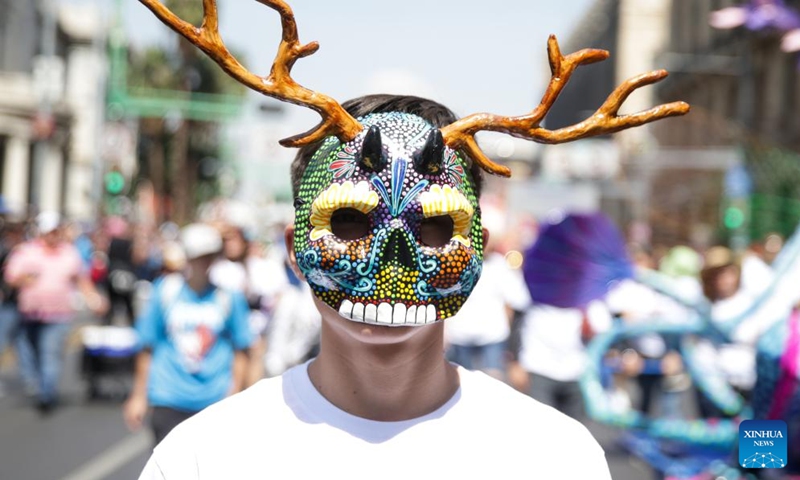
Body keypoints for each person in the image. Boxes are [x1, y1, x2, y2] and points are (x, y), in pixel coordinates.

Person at [137, 95, 613, 478]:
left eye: (434, 228)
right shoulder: (202, 459)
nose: (390, 268)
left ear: (478, 249)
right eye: (347, 223)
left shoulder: (556, 458)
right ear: (293, 249)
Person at [123, 223, 252, 445]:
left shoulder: (228, 297)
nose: (203, 263)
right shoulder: (164, 291)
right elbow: (147, 346)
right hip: (169, 397)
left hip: (214, 400)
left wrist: (235, 393)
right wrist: (138, 396)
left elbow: (242, 348)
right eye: (197, 256)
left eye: (208, 256)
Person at [3, 212, 106, 412]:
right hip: (30, 314)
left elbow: (82, 280)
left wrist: (95, 299)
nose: (53, 236)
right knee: (28, 352)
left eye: (55, 231)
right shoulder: (27, 251)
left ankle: (46, 393)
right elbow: (11, 276)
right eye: (49, 232)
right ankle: (36, 382)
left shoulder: (69, 253)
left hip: (58, 315)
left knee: (50, 352)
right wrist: (25, 279)